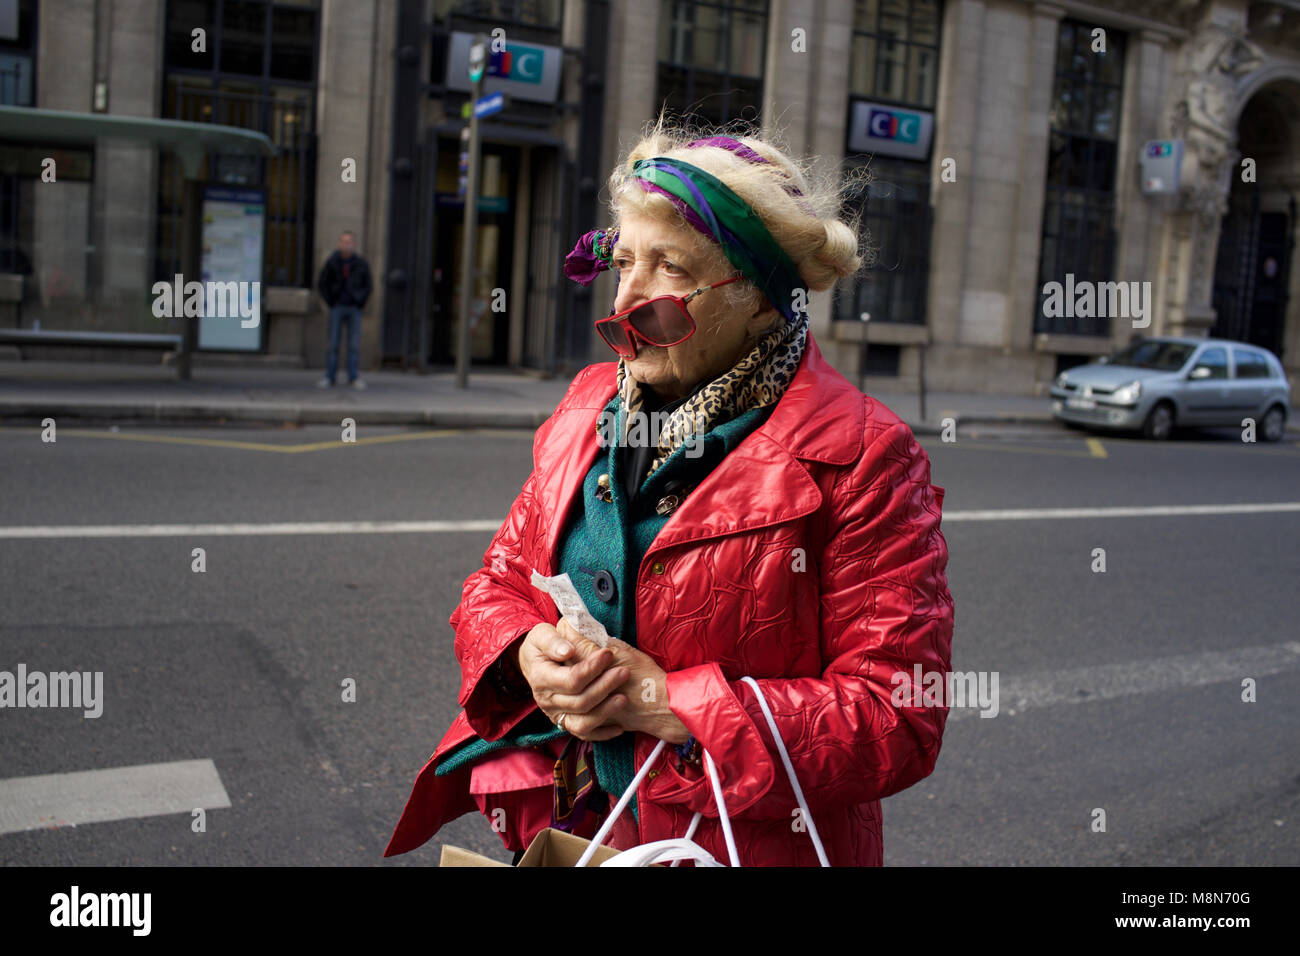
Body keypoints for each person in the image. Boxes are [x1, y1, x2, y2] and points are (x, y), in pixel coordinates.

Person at [384, 119, 954, 867]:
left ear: (758, 299)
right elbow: (497, 582)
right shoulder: (589, 405)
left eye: (671, 269)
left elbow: (897, 717)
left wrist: (670, 703)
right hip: (572, 832)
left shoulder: (864, 455)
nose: (628, 297)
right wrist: (528, 654)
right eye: (622, 261)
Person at [316, 231, 372, 389]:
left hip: (354, 307)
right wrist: (331, 301)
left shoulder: (360, 263)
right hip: (337, 306)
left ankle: (353, 376)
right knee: (333, 343)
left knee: (354, 345)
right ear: (339, 243)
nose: (346, 245)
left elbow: (368, 285)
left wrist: (360, 301)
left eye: (349, 242)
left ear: (353, 244)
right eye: (344, 241)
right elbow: (323, 283)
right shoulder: (333, 262)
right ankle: (330, 376)